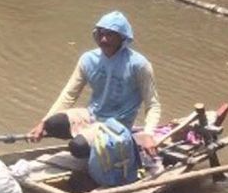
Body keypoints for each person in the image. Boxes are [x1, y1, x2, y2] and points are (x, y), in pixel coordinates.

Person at [29, 11, 161, 156]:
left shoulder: (138, 65)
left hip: (117, 124)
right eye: (100, 34)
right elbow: (69, 94)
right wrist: (43, 122)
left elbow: (152, 104)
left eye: (110, 35)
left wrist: (148, 134)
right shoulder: (88, 59)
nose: (103, 39)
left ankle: (98, 149)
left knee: (78, 147)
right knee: (53, 124)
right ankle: (90, 143)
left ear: (121, 37)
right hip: (93, 115)